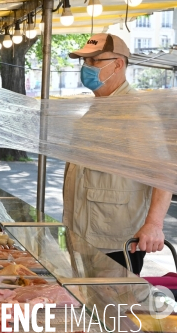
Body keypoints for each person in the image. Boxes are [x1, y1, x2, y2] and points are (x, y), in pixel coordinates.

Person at [64, 33, 171, 274]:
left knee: (113, 308)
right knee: (88, 305)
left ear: (118, 64)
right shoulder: (97, 108)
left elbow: (162, 171)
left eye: (94, 61)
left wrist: (153, 224)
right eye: (85, 62)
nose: (87, 68)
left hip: (116, 240)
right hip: (83, 235)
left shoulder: (136, 112)